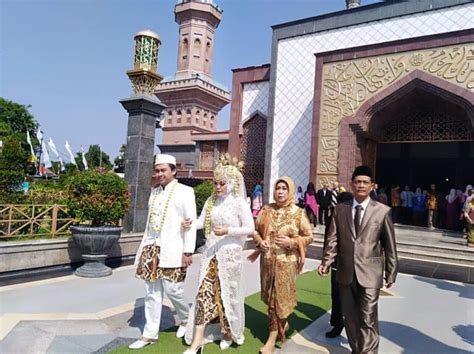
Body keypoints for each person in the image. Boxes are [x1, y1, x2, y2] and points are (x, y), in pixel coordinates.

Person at [318, 165, 398, 354]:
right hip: (346, 272)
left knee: (368, 318)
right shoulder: (340, 209)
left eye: (365, 182)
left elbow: (390, 245)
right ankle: (357, 350)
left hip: (371, 273)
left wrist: (391, 272)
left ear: (372, 186)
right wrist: (326, 261)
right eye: (358, 182)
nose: (361, 185)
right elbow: (333, 238)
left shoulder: (382, 211)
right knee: (350, 318)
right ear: (352, 185)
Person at [182, 155, 254, 353]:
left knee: (226, 294)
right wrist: (190, 223)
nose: (218, 187)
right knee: (204, 293)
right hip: (211, 254)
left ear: (232, 183)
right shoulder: (211, 201)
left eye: (222, 183)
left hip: (230, 255)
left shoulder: (239, 203)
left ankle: (228, 332)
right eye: (216, 183)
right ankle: (197, 340)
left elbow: (250, 227)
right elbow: (201, 221)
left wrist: (228, 231)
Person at [129, 154, 197, 350]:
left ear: (173, 171)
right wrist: (143, 249)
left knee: (173, 289)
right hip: (152, 247)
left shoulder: (185, 191)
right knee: (151, 292)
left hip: (174, 249)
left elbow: (190, 224)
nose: (159, 174)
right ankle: (149, 334)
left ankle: (185, 318)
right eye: (157, 170)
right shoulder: (154, 192)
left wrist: (188, 251)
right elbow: (151, 224)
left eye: (163, 170)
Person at [249, 176, 313, 354]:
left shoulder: (298, 212)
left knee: (279, 300)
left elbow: (309, 236)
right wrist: (260, 241)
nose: (280, 191)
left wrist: (292, 242)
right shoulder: (266, 209)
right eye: (278, 188)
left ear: (290, 191)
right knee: (271, 298)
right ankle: (282, 323)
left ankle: (271, 339)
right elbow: (254, 229)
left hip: (287, 264)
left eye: (284, 188)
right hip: (268, 262)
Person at [323, 191, 353, 338]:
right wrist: (326, 261)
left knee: (352, 297)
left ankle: (352, 325)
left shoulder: (357, 217)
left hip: (353, 264)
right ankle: (337, 323)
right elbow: (328, 240)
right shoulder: (333, 216)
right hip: (337, 263)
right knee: (336, 296)